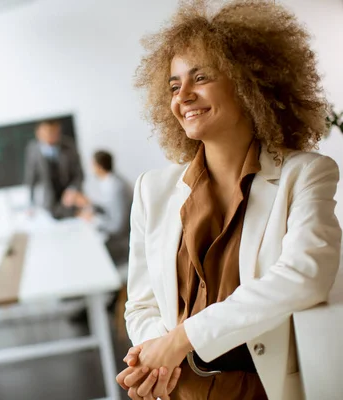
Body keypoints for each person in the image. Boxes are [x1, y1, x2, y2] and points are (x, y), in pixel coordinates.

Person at [116, 2, 342, 400]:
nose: (183, 95)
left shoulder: (306, 174)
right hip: (180, 390)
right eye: (173, 85)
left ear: (246, 82)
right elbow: (141, 304)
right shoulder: (152, 190)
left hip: (264, 387)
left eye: (200, 77)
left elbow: (304, 275)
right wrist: (158, 360)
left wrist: (184, 338)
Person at [77, 150, 132, 265]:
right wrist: (90, 204)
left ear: (99, 166)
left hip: (121, 245)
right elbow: (110, 209)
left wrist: (94, 220)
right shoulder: (110, 181)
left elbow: (118, 226)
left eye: (92, 165)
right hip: (117, 237)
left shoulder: (116, 187)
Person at [24, 119, 84, 219]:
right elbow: (30, 178)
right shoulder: (33, 149)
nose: (51, 135)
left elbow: (79, 174)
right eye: (47, 132)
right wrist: (30, 203)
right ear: (38, 133)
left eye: (55, 132)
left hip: (70, 200)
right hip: (47, 200)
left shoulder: (69, 146)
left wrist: (72, 190)